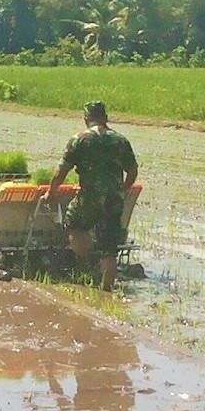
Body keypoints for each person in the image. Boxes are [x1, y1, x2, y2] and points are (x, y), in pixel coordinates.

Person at [42, 101, 138, 291]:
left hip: (89, 197)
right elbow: (133, 172)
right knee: (109, 248)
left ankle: (86, 263)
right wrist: (121, 190)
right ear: (106, 117)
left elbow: (61, 173)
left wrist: (50, 193)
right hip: (114, 200)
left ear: (86, 119)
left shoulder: (79, 139)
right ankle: (107, 290)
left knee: (74, 223)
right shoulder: (120, 140)